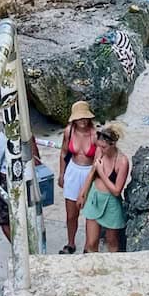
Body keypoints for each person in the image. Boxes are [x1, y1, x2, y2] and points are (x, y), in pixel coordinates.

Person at [78, 122, 130, 253]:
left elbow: (117, 191)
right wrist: (83, 193)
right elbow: (91, 173)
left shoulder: (122, 161)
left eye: (104, 147)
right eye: (99, 146)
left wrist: (101, 172)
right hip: (95, 196)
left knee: (111, 240)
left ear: (112, 144)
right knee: (91, 241)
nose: (101, 149)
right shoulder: (99, 151)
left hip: (111, 201)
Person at [58, 100, 97, 254]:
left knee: (90, 212)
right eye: (80, 117)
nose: (83, 120)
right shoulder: (69, 131)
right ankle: (71, 242)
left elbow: (97, 160)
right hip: (73, 170)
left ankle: (88, 245)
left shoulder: (95, 134)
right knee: (71, 214)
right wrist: (62, 173)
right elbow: (63, 152)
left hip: (89, 171)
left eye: (85, 117)